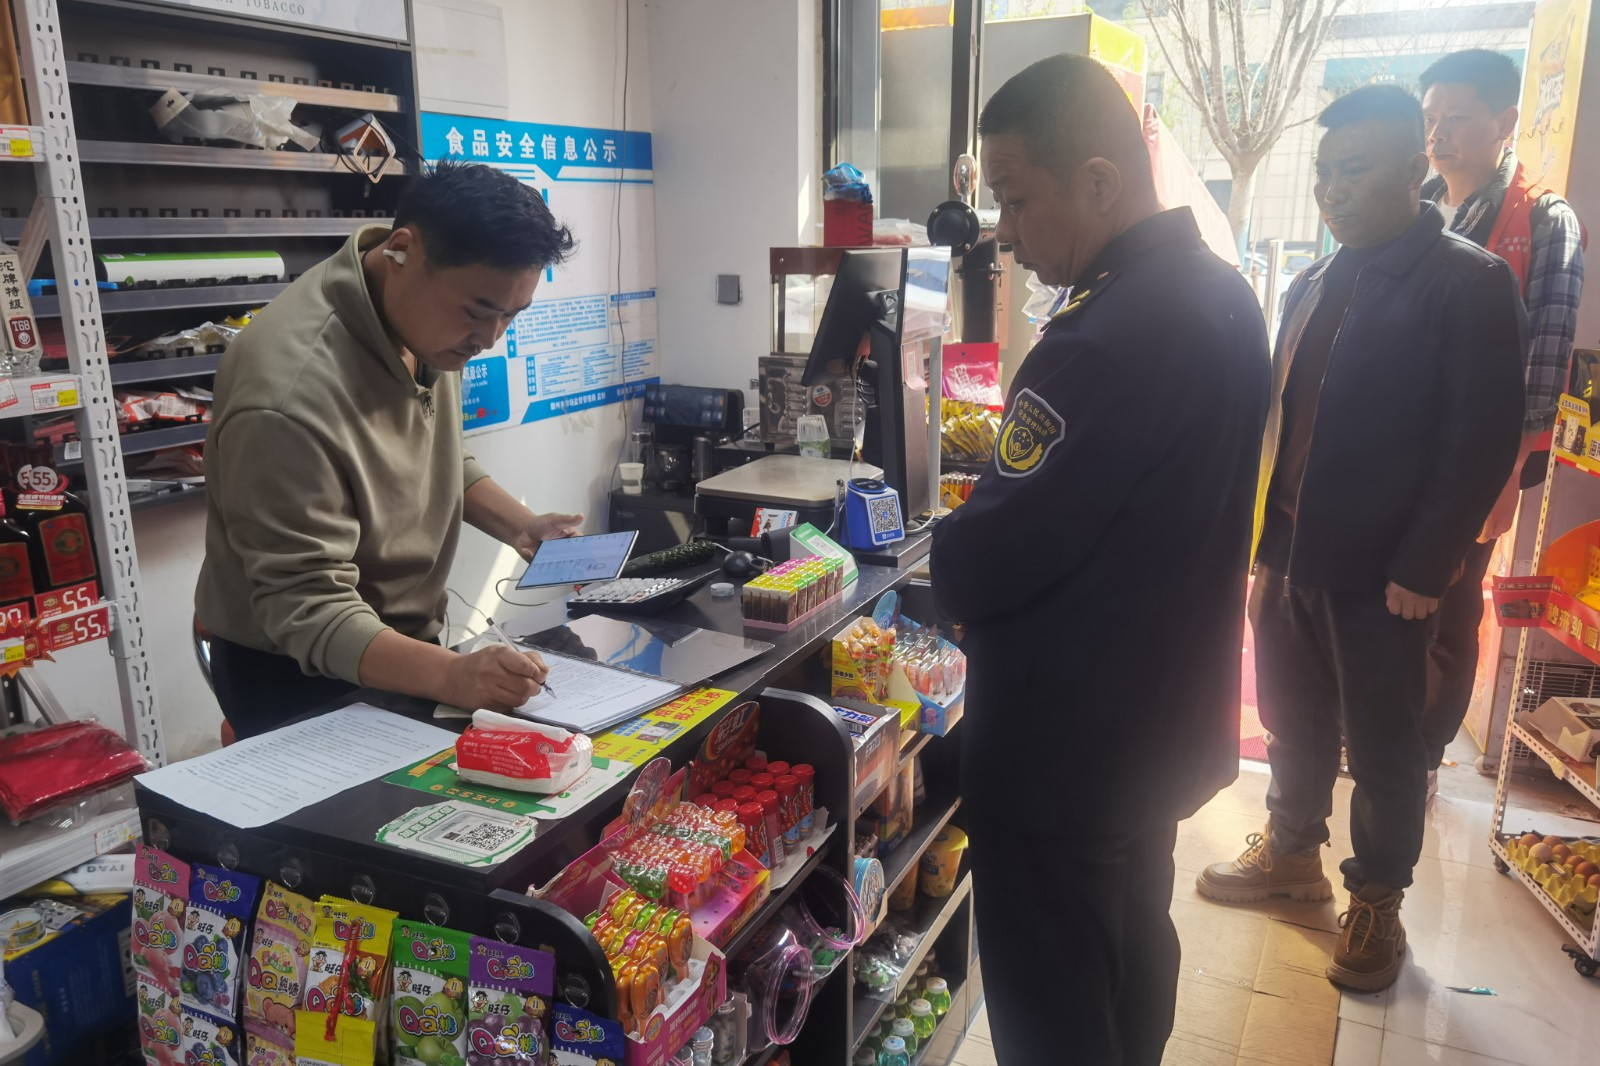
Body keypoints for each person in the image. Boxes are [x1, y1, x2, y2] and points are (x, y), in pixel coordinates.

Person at [930, 54, 1271, 1065]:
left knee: (1053, 1006)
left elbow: (992, 556)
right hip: (1153, 727)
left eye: (1014, 198)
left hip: (1062, 749)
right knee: (1128, 963)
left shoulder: (1101, 336)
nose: (1003, 231)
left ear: (1098, 183)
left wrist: (943, 548)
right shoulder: (1220, 293)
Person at [1197, 86, 1526, 993]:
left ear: (1416, 168)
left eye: (1353, 170)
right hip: (1290, 549)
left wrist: (1427, 562)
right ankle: (1291, 853)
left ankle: (1378, 897)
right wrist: (1256, 541)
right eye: (1323, 173)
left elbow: (1482, 439)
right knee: (1290, 718)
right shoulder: (1314, 280)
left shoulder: (1467, 282)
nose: (1331, 192)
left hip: (1386, 574)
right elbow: (1285, 418)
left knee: (1384, 745)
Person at [196, 161, 583, 738]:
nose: (489, 338)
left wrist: (521, 527)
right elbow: (308, 609)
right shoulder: (287, 396)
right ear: (403, 249)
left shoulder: (420, 320)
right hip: (298, 671)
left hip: (400, 647)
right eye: (478, 312)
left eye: (511, 315)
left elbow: (433, 454)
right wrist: (453, 675)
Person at [1418, 50, 1586, 779]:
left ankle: (1423, 757)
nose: (1438, 134)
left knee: (1449, 604)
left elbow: (1545, 364)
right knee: (1385, 598)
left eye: (1456, 118)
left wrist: (1508, 477)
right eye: (1430, 118)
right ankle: (1378, 734)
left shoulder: (1545, 220)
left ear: (1505, 120)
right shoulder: (1419, 204)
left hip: (1480, 457)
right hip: (1402, 442)